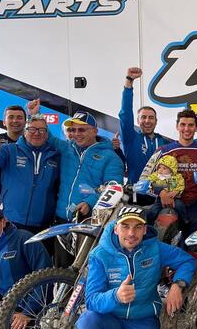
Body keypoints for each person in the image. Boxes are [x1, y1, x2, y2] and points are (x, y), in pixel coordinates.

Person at [75, 205, 197, 329]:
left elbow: (187, 261)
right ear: (116, 228)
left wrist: (178, 285)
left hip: (142, 318)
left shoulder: (155, 248)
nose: (131, 233)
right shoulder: (99, 254)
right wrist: (115, 296)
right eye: (125, 226)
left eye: (137, 227)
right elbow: (91, 300)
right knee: (86, 321)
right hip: (111, 320)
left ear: (145, 229)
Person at [27, 101, 124, 265]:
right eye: (73, 130)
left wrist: (90, 202)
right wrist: (35, 114)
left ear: (95, 131)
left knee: (84, 269)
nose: (76, 134)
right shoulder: (67, 148)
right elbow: (47, 136)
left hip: (88, 223)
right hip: (61, 221)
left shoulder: (111, 157)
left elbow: (114, 187)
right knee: (61, 270)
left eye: (82, 129)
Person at [140, 109, 197, 239]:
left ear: (196, 128)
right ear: (177, 126)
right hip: (167, 204)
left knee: (196, 245)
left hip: (195, 206)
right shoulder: (163, 151)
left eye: (191, 125)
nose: (186, 129)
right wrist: (161, 192)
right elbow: (143, 179)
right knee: (163, 241)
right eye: (183, 124)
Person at [0, 115, 60, 234]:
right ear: (24, 132)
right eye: (31, 129)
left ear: (47, 134)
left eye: (42, 130)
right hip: (11, 220)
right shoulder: (9, 150)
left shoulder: (55, 156)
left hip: (43, 223)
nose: (37, 133)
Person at [120, 67, 171, 183]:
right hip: (135, 191)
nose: (147, 121)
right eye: (143, 117)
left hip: (161, 193)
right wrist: (129, 81)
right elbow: (125, 114)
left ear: (156, 121)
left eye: (151, 118)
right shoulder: (130, 138)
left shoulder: (166, 143)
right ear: (138, 121)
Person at [142, 154, 185, 239]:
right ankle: (150, 224)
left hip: (174, 198)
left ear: (172, 169)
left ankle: (183, 220)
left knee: (179, 206)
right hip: (159, 198)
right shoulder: (156, 175)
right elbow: (148, 181)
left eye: (164, 168)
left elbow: (181, 185)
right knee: (154, 210)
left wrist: (176, 191)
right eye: (159, 167)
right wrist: (151, 185)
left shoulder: (176, 177)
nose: (161, 170)